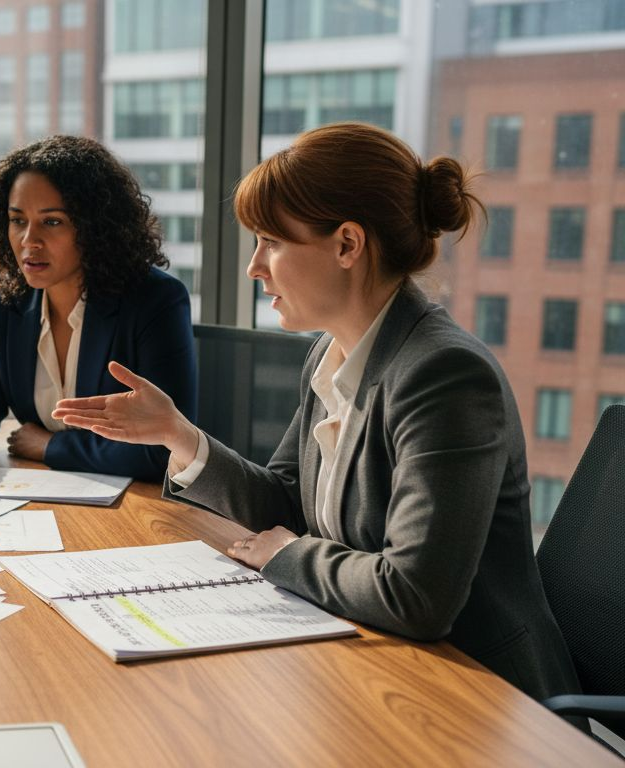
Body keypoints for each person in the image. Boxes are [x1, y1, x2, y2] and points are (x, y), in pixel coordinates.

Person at [52, 122, 580, 702]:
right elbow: (286, 502)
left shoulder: (445, 376)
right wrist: (178, 436)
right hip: (370, 661)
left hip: (478, 698)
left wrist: (286, 555)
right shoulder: (331, 354)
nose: (255, 267)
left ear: (347, 245)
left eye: (272, 243)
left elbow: (416, 595)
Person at [0, 135, 196, 489]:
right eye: (17, 220)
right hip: (41, 495)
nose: (28, 241)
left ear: (94, 226)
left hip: (138, 509)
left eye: (52, 222)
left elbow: (165, 449)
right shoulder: (10, 299)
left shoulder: (156, 301)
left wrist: (52, 446)